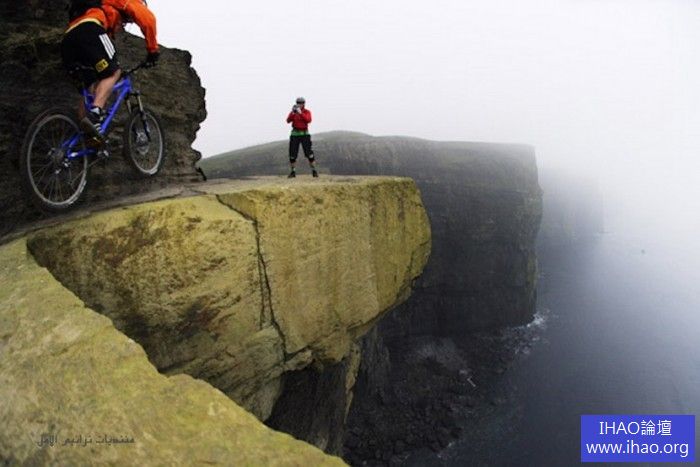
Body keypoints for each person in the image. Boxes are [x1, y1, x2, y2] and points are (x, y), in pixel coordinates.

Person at [61, 0, 160, 144]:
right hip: (90, 29)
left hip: (68, 40)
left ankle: (86, 133)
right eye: (127, 20)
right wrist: (153, 51)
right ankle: (95, 114)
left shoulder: (96, 7)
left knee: (89, 85)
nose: (125, 23)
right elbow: (148, 19)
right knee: (112, 72)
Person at [286, 97, 317, 178]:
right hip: (295, 134)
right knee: (292, 155)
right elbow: (288, 121)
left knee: (309, 154)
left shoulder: (307, 112)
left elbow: (308, 120)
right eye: (298, 103)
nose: (299, 104)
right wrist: (293, 113)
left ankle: (314, 171)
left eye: (301, 103)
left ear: (304, 104)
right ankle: (293, 172)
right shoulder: (293, 112)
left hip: (304, 134)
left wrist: (300, 113)